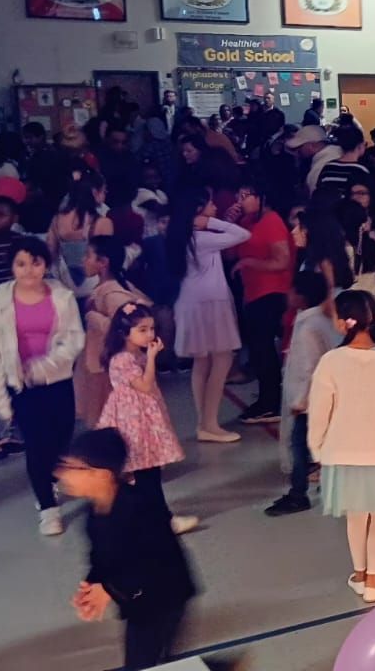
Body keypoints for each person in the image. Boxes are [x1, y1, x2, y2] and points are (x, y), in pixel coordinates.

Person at [307, 290, 375, 602]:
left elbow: (319, 409)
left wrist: (317, 448)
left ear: (342, 322)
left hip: (344, 449)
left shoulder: (331, 361)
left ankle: (360, 575)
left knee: (356, 514)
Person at [58, 428, 197, 670]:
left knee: (144, 661)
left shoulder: (141, 509)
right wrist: (94, 583)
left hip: (164, 599)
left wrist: (109, 590)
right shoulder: (94, 511)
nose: (62, 473)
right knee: (148, 658)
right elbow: (102, 556)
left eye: (73, 467)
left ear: (101, 475)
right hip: (137, 600)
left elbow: (153, 565)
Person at [0, 237, 85, 535]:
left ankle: (50, 479)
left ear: (45, 265)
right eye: (21, 264)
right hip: (22, 385)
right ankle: (47, 507)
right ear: (12, 267)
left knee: (62, 435)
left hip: (57, 380)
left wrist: (45, 365)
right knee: (37, 444)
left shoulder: (61, 296)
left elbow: (74, 339)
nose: (28, 270)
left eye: (35, 263)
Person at [98, 303, 196, 534]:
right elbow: (144, 385)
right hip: (134, 421)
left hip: (143, 417)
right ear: (124, 332)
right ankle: (161, 520)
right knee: (146, 472)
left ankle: (152, 518)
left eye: (152, 329)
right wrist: (152, 358)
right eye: (142, 330)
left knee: (149, 471)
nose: (150, 334)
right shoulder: (123, 359)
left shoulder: (136, 354)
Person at [167, 192, 251, 443]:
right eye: (210, 204)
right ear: (198, 211)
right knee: (222, 359)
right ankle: (210, 423)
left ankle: (204, 422)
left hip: (191, 302)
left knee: (201, 362)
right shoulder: (202, 238)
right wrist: (212, 222)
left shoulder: (181, 237)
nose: (215, 207)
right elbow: (242, 235)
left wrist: (212, 222)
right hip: (211, 303)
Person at [264, 271, 342, 517]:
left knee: (298, 446)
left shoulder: (308, 328)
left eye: (292, 290)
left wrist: (301, 400)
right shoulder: (322, 321)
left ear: (301, 296)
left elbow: (310, 368)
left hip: (309, 401)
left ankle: (298, 494)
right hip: (321, 397)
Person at [231, 185, 293, 425]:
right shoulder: (246, 221)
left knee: (263, 347)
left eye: (245, 196)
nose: (240, 201)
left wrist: (249, 263)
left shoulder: (272, 221)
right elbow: (229, 253)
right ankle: (268, 397)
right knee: (258, 348)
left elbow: (282, 260)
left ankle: (271, 402)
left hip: (272, 291)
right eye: (238, 196)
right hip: (253, 291)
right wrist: (229, 223)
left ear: (260, 197)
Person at [76, 237, 151, 427]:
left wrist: (93, 316)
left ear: (103, 262)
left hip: (107, 366)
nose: (83, 260)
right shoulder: (110, 288)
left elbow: (125, 327)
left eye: (88, 256)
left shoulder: (113, 293)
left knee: (109, 417)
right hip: (100, 360)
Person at [50, 171, 116, 288]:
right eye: (104, 191)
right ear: (95, 192)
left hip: (65, 282)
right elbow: (107, 261)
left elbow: (51, 252)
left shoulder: (57, 219)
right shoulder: (103, 223)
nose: (105, 195)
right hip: (94, 284)